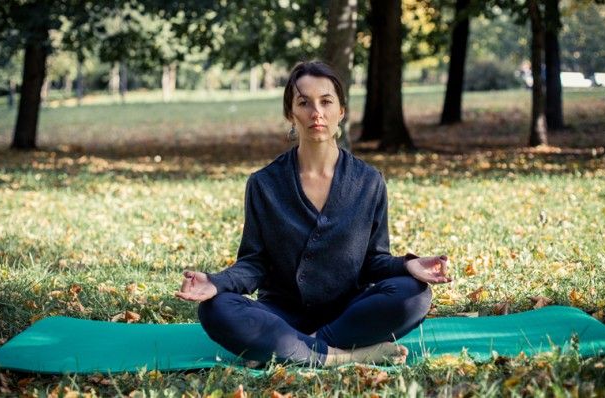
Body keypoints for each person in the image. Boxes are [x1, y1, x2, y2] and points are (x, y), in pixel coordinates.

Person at [176, 61, 452, 367]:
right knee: (216, 309)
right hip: (282, 313)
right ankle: (341, 356)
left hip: (349, 314)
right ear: (290, 114)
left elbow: (374, 261)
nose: (315, 112)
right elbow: (254, 264)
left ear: (341, 112)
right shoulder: (264, 184)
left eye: (326, 101)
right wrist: (216, 282)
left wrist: (408, 265)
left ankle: (287, 349)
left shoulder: (369, 181)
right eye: (304, 103)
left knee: (415, 295)